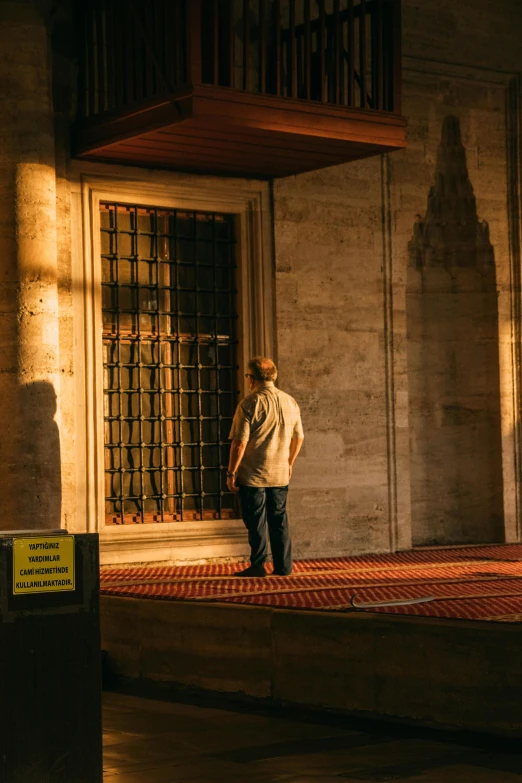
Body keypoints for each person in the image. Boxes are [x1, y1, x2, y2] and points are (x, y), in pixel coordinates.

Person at [227, 356, 304, 577]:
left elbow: (240, 442)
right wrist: (289, 463)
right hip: (280, 473)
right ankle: (283, 566)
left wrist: (231, 472)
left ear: (251, 379)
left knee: (256, 521)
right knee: (279, 519)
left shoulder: (249, 403)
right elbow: (298, 438)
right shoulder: (290, 401)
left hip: (253, 474)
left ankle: (258, 564)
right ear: (274, 376)